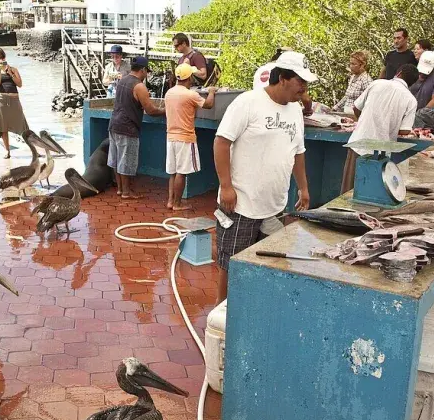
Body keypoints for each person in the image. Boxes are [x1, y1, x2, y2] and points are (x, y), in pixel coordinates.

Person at [214, 51, 315, 303]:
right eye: (299, 81)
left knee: (266, 265)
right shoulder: (248, 102)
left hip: (274, 206)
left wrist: (303, 188)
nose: (303, 88)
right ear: (282, 78)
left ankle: (250, 312)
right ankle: (221, 317)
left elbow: (298, 153)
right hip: (241, 205)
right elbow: (221, 142)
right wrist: (226, 186)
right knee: (231, 266)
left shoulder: (295, 111)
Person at [341, 64, 419, 192]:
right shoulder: (411, 100)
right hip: (382, 152)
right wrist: (391, 125)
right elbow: (405, 130)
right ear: (412, 83)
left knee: (349, 190)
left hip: (359, 144)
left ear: (398, 73)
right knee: (372, 191)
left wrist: (365, 121)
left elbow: (356, 107)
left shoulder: (377, 84)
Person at [107, 56, 165, 199]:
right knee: (126, 161)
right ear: (143, 70)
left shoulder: (122, 81)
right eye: (147, 71)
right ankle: (127, 192)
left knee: (116, 159)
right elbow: (151, 110)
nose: (147, 74)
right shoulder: (139, 86)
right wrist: (167, 110)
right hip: (128, 127)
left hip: (114, 124)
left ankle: (120, 189)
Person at [164, 64, 217, 211]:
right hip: (185, 138)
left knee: (173, 172)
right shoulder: (190, 94)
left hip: (171, 137)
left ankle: (170, 201)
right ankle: (177, 204)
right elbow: (208, 105)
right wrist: (212, 91)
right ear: (189, 77)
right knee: (182, 172)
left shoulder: (169, 93)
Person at [0, 48, 28, 159]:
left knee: (23, 125)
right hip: (1, 100)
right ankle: (7, 151)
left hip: (14, 100)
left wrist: (10, 73)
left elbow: (20, 84)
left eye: (2, 57)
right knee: (3, 127)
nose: (1, 59)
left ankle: (32, 147)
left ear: (5, 57)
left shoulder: (13, 69)